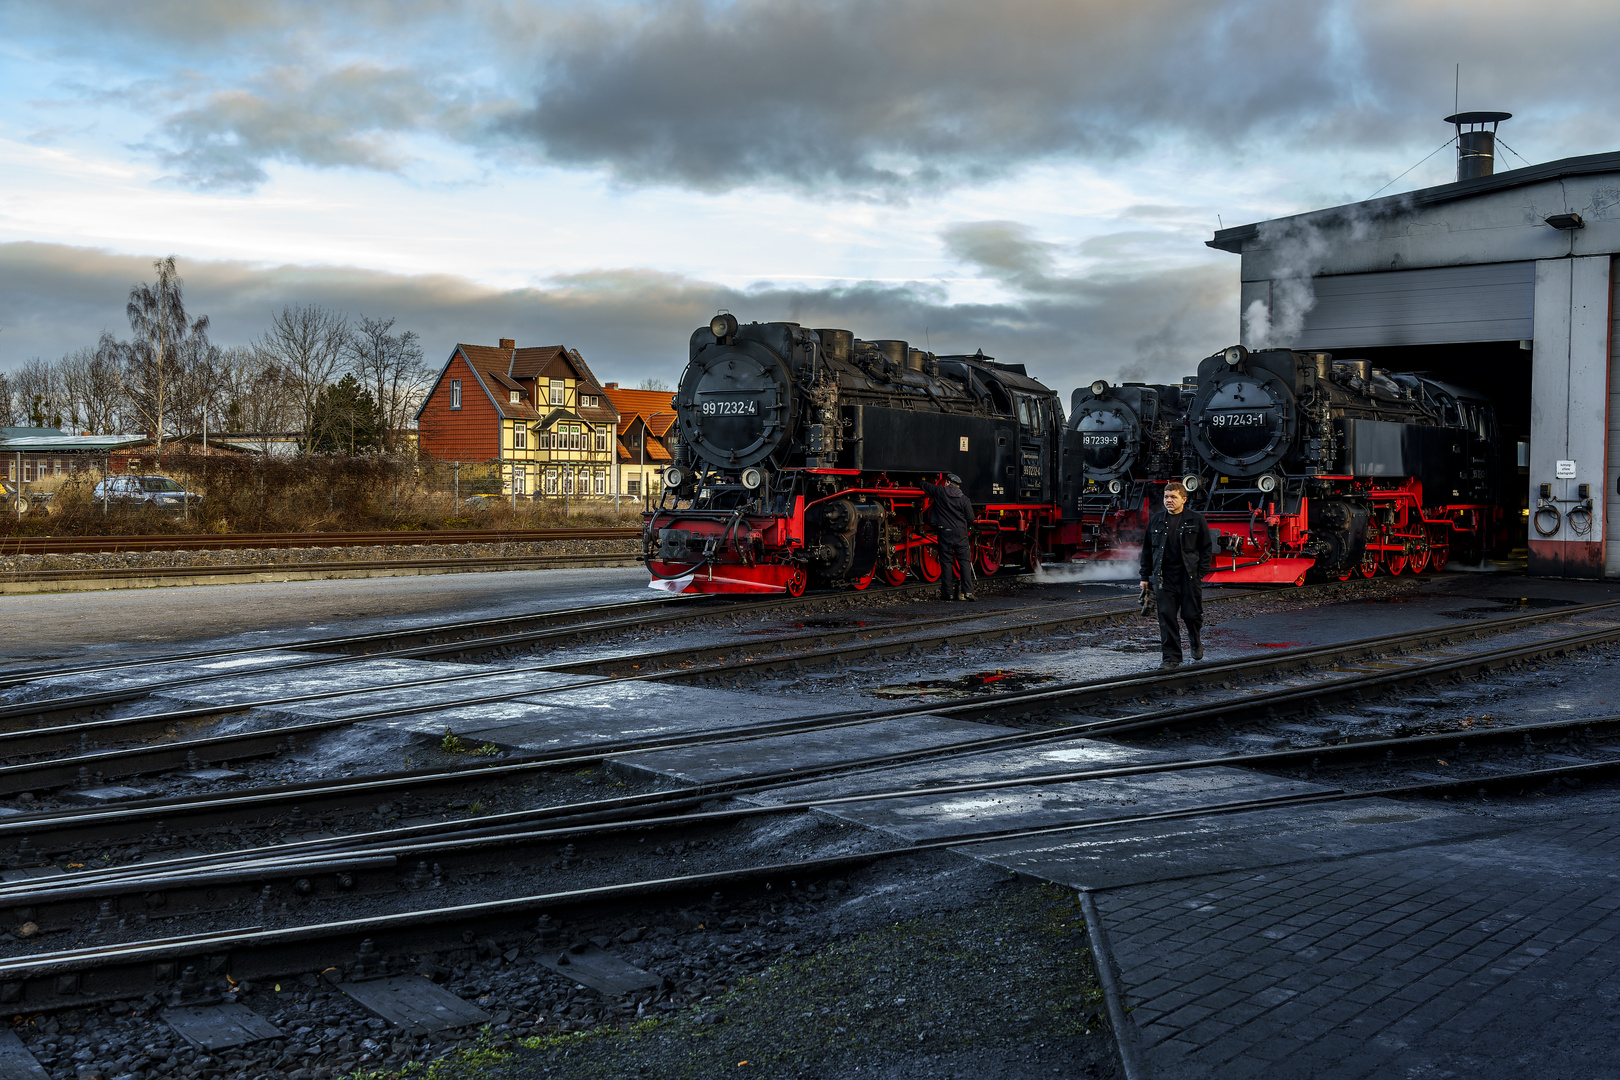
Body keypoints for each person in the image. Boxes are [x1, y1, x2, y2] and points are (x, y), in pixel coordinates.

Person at [1138, 481, 1213, 667]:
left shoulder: (1196, 520)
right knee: (1166, 616)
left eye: (1173, 497)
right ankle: (1171, 658)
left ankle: (1194, 639)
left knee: (1191, 615)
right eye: (1166, 497)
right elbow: (1147, 550)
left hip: (1188, 577)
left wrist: (1199, 573)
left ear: (1184, 499)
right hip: (1164, 577)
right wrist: (1144, 577)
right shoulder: (1156, 520)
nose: (1169, 500)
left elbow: (1206, 549)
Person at [917, 472, 977, 601]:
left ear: (947, 482)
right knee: (964, 562)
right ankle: (968, 592)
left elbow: (925, 486)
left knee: (946, 562)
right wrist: (965, 526)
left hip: (945, 532)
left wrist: (919, 481)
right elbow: (970, 518)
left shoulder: (940, 491)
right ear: (958, 486)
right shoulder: (964, 499)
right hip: (961, 533)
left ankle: (947, 593)